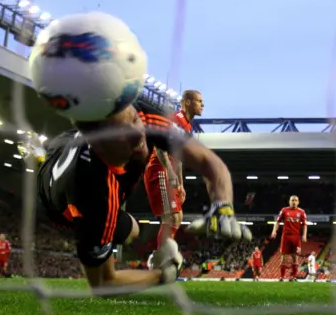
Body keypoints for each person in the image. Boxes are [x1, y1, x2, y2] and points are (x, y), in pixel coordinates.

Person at [37, 100, 250, 296]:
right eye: (124, 134)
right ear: (103, 146)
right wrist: (164, 275)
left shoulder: (146, 119)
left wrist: (223, 205)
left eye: (134, 120)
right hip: (57, 204)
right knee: (129, 231)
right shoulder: (93, 193)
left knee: (133, 229)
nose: (139, 134)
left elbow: (209, 161)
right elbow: (103, 285)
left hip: (65, 144)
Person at [143, 90, 204, 248]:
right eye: (199, 101)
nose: (202, 105)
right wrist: (169, 171)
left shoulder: (187, 126)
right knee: (172, 217)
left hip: (167, 168)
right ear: (188, 102)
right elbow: (159, 146)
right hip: (159, 168)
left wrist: (181, 184)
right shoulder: (176, 120)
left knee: (178, 217)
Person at [270, 195, 307, 281]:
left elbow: (305, 224)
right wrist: (274, 231)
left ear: (298, 202)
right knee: (284, 258)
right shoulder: (284, 210)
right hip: (286, 237)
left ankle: (293, 277)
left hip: (296, 237)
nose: (294, 202)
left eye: (296, 200)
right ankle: (282, 277)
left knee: (295, 258)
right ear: (289, 201)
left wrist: (304, 235)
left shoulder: (301, 212)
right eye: (292, 200)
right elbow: (277, 221)